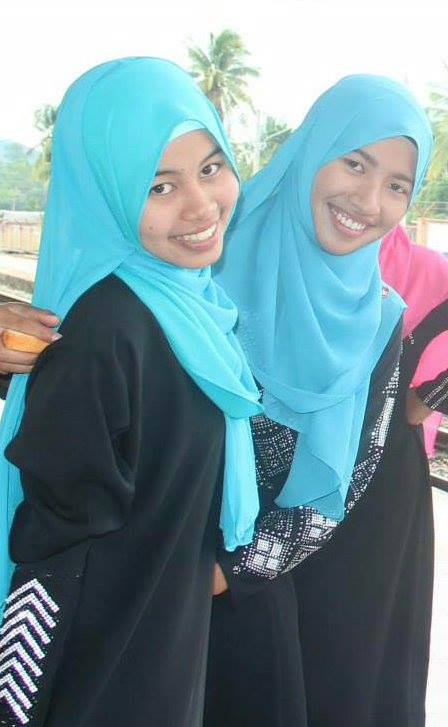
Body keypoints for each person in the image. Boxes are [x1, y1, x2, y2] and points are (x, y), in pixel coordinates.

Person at [0, 57, 262, 727]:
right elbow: (52, 551)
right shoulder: (104, 334)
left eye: (210, 168)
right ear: (106, 192)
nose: (200, 205)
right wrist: (16, 704)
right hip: (103, 672)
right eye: (159, 186)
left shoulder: (195, 308)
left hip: (164, 644)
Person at [204, 75, 434, 726]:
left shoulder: (380, 320)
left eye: (397, 185)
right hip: (143, 571)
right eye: (354, 163)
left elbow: (347, 479)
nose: (368, 200)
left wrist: (227, 572)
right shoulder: (203, 264)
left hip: (245, 598)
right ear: (310, 150)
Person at [292, 223, 448, 726]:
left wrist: (421, 401)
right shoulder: (301, 251)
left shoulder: (414, 264)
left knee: (363, 618)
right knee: (320, 615)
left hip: (379, 470)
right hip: (317, 460)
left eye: (395, 187)